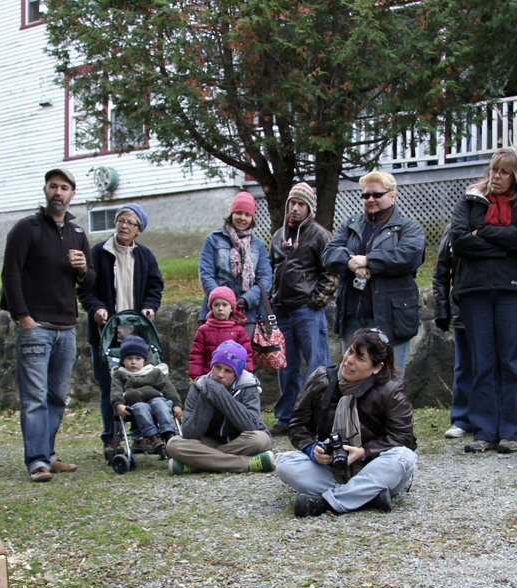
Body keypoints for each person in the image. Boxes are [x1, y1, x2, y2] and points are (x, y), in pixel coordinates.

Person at [1, 167, 96, 482]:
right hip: (35, 326)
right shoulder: (26, 228)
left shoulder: (78, 234)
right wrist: (22, 317)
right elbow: (10, 274)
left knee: (56, 395)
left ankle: (50, 455)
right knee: (34, 397)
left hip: (66, 327)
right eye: (53, 186)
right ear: (45, 190)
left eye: (65, 187)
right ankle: (37, 461)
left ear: (72, 193)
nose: (58, 192)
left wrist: (83, 269)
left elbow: (90, 279)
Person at [449, 148, 517, 454]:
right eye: (494, 170)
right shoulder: (470, 200)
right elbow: (459, 240)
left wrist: (483, 232)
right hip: (475, 289)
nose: (496, 177)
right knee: (482, 362)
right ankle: (485, 431)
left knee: (512, 362)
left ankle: (512, 432)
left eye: (504, 172)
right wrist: (503, 243)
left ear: (516, 176)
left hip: (515, 291)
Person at [275, 328, 417, 516]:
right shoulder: (321, 378)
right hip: (333, 468)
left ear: (377, 367)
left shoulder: (391, 391)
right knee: (284, 463)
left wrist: (364, 452)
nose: (349, 360)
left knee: (404, 458)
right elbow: (297, 424)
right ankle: (368, 497)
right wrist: (311, 448)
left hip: (373, 467)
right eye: (350, 351)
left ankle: (326, 502)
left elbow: (402, 438)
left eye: (360, 358)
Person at [78, 203, 164, 450]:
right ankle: (112, 438)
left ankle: (138, 435)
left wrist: (150, 306)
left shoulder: (145, 255)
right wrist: (96, 309)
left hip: (135, 334)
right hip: (105, 333)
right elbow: (85, 290)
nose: (124, 226)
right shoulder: (97, 253)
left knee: (140, 385)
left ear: (139, 230)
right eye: (120, 221)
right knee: (109, 387)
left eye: (130, 223)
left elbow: (154, 287)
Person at [321, 171, 425, 375]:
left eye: (377, 195)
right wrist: (351, 262)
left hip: (391, 320)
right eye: (366, 195)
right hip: (353, 317)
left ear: (393, 195)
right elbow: (329, 254)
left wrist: (369, 260)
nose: (370, 199)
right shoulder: (350, 225)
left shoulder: (409, 227)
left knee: (390, 384)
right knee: (350, 380)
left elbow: (409, 256)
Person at [268, 182, 338, 436]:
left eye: (300, 204)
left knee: (318, 366)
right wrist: (270, 299)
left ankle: (318, 418)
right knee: (285, 368)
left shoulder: (320, 234)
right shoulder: (278, 235)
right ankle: (286, 418)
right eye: (292, 203)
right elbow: (271, 269)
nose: (294, 209)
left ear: (309, 208)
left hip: (307, 310)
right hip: (282, 311)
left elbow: (332, 272)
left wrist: (316, 301)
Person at [166, 340, 274, 474]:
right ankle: (246, 463)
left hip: (240, 441)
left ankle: (197, 463)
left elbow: (251, 426)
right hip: (207, 442)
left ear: (237, 375)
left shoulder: (248, 386)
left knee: (261, 440)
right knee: (173, 444)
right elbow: (190, 433)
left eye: (228, 371)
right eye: (217, 367)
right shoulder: (199, 386)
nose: (220, 374)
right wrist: (208, 394)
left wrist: (221, 394)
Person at [198, 191, 273, 334]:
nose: (242, 218)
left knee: (246, 356)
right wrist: (224, 301)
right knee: (216, 356)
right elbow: (206, 275)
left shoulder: (258, 245)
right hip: (217, 313)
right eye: (239, 213)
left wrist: (247, 299)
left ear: (252, 218)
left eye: (247, 214)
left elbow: (266, 279)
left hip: (249, 315)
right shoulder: (213, 240)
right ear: (231, 214)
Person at [432, 223, 472, 439]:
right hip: (462, 308)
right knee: (464, 366)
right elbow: (440, 273)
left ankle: (494, 418)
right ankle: (462, 419)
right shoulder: (454, 228)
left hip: (494, 305)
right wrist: (442, 310)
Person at [110, 335, 183, 451]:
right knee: (141, 407)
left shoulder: (153, 372)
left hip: (157, 399)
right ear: (123, 360)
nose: (133, 362)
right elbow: (116, 391)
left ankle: (169, 434)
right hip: (134, 404)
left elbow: (168, 388)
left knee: (159, 404)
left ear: (144, 360)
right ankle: (152, 437)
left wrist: (177, 404)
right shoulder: (120, 374)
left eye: (138, 358)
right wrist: (119, 404)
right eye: (129, 358)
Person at [188, 286, 253, 379]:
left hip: (230, 378)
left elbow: (246, 356)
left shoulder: (239, 331)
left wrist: (246, 377)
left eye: (224, 305)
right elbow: (196, 355)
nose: (220, 308)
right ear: (211, 307)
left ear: (231, 308)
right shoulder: (203, 330)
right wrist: (195, 376)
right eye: (216, 305)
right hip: (207, 377)